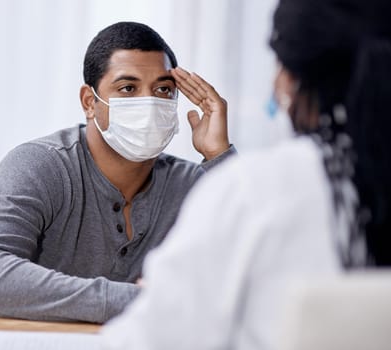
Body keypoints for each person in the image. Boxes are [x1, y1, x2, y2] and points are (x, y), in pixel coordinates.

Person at [100, 0, 391, 348]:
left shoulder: (255, 190)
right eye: (128, 88)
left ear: (286, 78)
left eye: (163, 89)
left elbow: (151, 341)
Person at [0, 21, 236, 323]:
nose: (149, 103)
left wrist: (219, 156)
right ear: (89, 102)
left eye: (163, 89)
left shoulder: (192, 184)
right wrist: (138, 300)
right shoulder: (41, 166)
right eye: (128, 88)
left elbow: (263, 270)